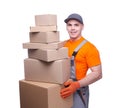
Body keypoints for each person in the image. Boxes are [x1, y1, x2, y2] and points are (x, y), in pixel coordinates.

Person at [60, 13, 102, 108]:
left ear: (82, 27)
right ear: (66, 27)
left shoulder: (89, 48)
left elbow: (98, 74)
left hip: (79, 91)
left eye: (76, 25)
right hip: (63, 89)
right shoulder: (63, 45)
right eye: (69, 25)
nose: (72, 28)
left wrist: (76, 85)